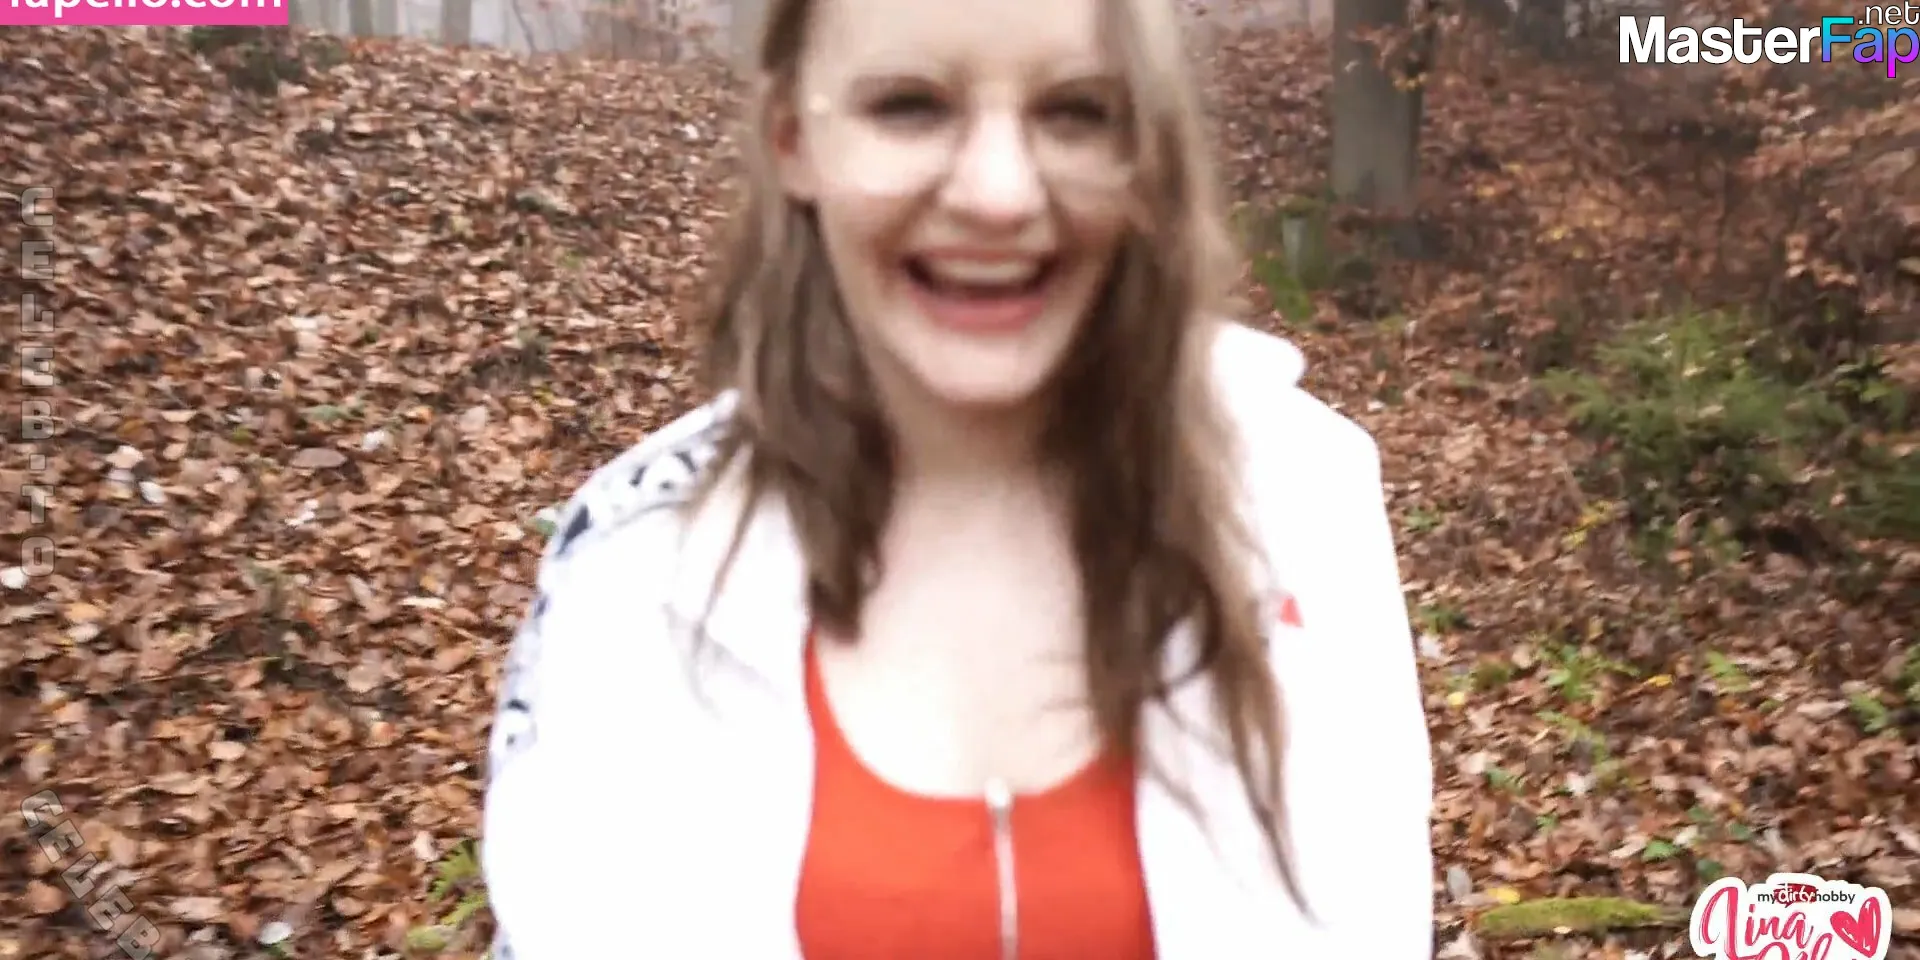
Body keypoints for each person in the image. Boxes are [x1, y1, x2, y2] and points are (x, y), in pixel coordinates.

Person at [479, 0, 1436, 955]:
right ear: (792, 138)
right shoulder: (632, 568)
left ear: (1145, 149)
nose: (999, 194)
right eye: (910, 106)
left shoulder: (1301, 501)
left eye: (1076, 111)